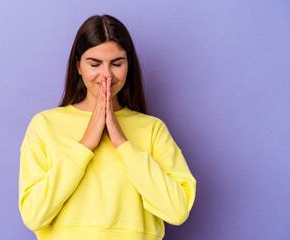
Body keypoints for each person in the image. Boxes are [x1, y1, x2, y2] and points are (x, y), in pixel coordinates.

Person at [18, 14, 196, 240]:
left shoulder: (153, 129)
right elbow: (33, 216)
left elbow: (177, 211)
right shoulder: (44, 125)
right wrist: (85, 145)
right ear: (78, 66)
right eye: (94, 64)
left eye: (116, 63)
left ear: (128, 65)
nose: (106, 75)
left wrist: (123, 143)